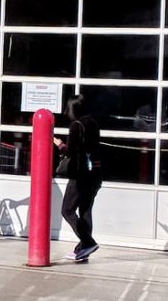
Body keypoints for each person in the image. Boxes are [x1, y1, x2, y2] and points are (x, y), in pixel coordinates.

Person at [54, 94, 102, 261]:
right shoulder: (94, 124)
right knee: (85, 211)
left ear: (74, 109)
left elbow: (71, 152)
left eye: (68, 108)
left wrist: (59, 145)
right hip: (95, 174)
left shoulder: (76, 125)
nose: (66, 112)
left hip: (80, 176)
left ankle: (88, 242)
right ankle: (83, 249)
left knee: (67, 210)